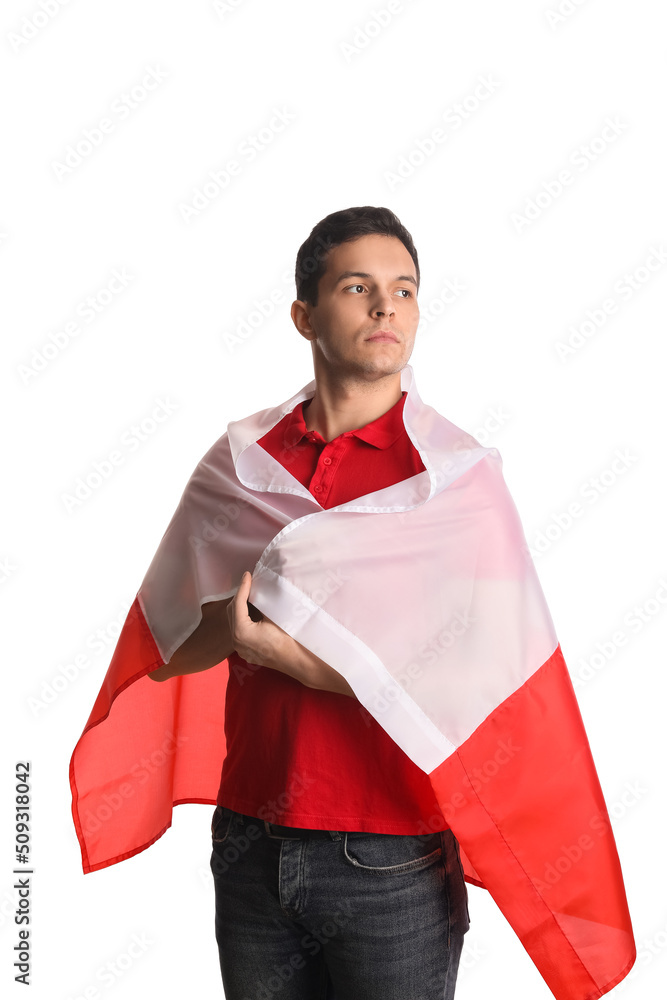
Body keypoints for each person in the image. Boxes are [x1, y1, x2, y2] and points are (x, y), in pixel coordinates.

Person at [148, 206, 471, 999]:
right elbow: (168, 648)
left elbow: (457, 679)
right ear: (304, 315)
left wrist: (278, 651)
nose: (385, 307)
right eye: (357, 287)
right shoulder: (242, 463)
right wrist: (231, 622)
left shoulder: (449, 477)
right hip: (250, 839)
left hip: (389, 851)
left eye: (404, 290)